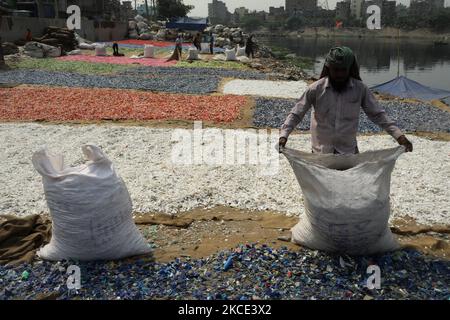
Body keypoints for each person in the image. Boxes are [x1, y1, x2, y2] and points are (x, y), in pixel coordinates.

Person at [279, 46, 413, 155]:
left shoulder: (360, 89)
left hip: (348, 152)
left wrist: (399, 137)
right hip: (321, 153)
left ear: (350, 69)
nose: (339, 74)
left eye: (343, 70)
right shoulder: (315, 89)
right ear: (329, 68)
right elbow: (297, 113)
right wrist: (283, 136)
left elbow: (378, 115)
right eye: (335, 70)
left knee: (349, 187)